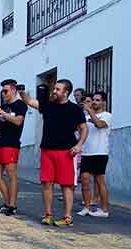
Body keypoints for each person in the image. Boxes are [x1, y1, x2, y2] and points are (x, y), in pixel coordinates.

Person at [21, 79, 88, 227]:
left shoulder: (74, 109)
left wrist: (79, 145)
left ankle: (67, 217)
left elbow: (84, 128)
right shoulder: (48, 106)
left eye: (58, 89)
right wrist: (21, 92)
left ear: (66, 92)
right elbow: (30, 101)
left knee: (67, 185)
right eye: (54, 89)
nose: (54, 91)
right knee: (46, 183)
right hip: (47, 150)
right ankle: (48, 215)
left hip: (66, 152)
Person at [0, 79, 28, 216]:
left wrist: (2, 113)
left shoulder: (20, 104)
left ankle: (13, 205)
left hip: (11, 143)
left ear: (13, 90)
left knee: (11, 175)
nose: (3, 94)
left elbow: (18, 121)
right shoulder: (3, 106)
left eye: (6, 91)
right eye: (2, 91)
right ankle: (6, 203)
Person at [76, 91, 113, 218]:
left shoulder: (107, 115)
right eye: (93, 100)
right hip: (87, 153)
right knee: (85, 181)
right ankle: (86, 207)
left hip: (100, 152)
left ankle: (104, 209)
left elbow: (99, 125)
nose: (94, 102)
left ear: (103, 102)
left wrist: (90, 111)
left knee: (99, 181)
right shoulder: (85, 117)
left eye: (97, 100)